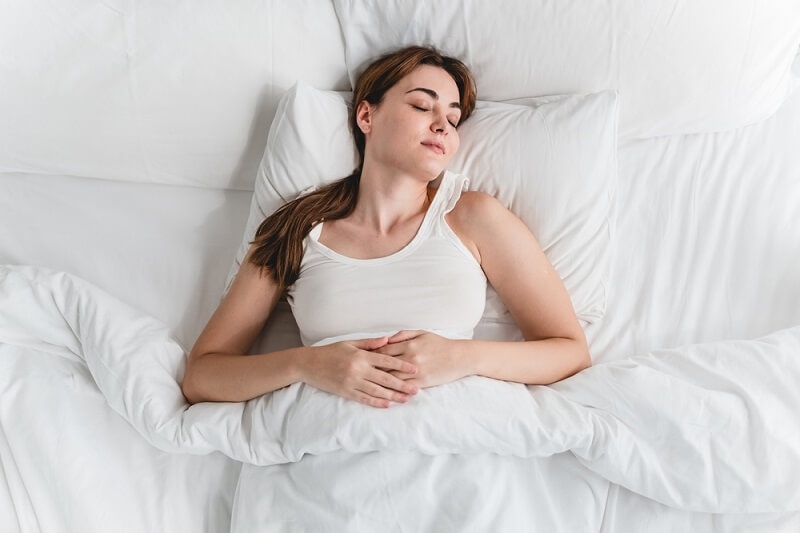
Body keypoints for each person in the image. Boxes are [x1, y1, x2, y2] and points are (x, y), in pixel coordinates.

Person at [181, 46, 590, 408]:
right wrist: (306, 364)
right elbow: (203, 376)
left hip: (454, 450)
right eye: (421, 106)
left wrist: (465, 356)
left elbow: (570, 351)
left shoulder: (472, 216)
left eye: (453, 116)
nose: (443, 125)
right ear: (366, 115)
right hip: (325, 457)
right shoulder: (298, 229)